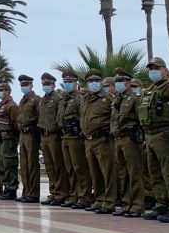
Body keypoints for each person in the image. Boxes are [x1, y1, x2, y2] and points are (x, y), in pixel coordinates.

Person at [137, 57, 169, 223]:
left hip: (167, 134)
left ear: (165, 70)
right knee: (155, 173)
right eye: (151, 68)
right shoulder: (151, 89)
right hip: (151, 135)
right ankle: (162, 204)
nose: (153, 71)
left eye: (157, 68)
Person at [80, 70, 117, 214]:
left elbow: (114, 118)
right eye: (91, 81)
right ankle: (99, 199)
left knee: (107, 171)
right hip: (88, 140)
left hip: (102, 139)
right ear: (87, 84)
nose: (94, 84)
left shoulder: (107, 99)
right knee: (95, 172)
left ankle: (109, 201)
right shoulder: (84, 100)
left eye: (96, 81)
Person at [111, 71, 145, 217]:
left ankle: (137, 205)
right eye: (116, 81)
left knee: (134, 172)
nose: (118, 84)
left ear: (128, 83)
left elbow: (141, 120)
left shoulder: (135, 99)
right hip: (118, 139)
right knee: (122, 173)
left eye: (121, 81)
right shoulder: (117, 100)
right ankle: (126, 204)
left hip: (131, 140)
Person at [57, 72, 90, 209]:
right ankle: (74, 195)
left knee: (79, 167)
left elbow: (83, 116)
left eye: (70, 81)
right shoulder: (64, 99)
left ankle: (84, 197)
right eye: (65, 81)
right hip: (65, 136)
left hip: (75, 137)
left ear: (76, 83)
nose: (67, 84)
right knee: (70, 168)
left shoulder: (79, 98)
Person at [37, 73, 68, 206]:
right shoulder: (42, 100)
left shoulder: (58, 98)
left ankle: (61, 193)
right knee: (49, 166)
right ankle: (53, 192)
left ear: (54, 85)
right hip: (44, 136)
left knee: (58, 165)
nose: (46, 86)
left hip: (54, 135)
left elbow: (59, 117)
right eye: (44, 84)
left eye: (48, 84)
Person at [16, 74, 40, 203]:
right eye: (22, 85)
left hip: (31, 134)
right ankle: (26, 191)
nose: (24, 87)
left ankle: (33, 193)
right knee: (24, 165)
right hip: (22, 134)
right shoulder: (22, 100)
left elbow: (39, 118)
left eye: (26, 85)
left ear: (31, 85)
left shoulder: (36, 100)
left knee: (32, 164)